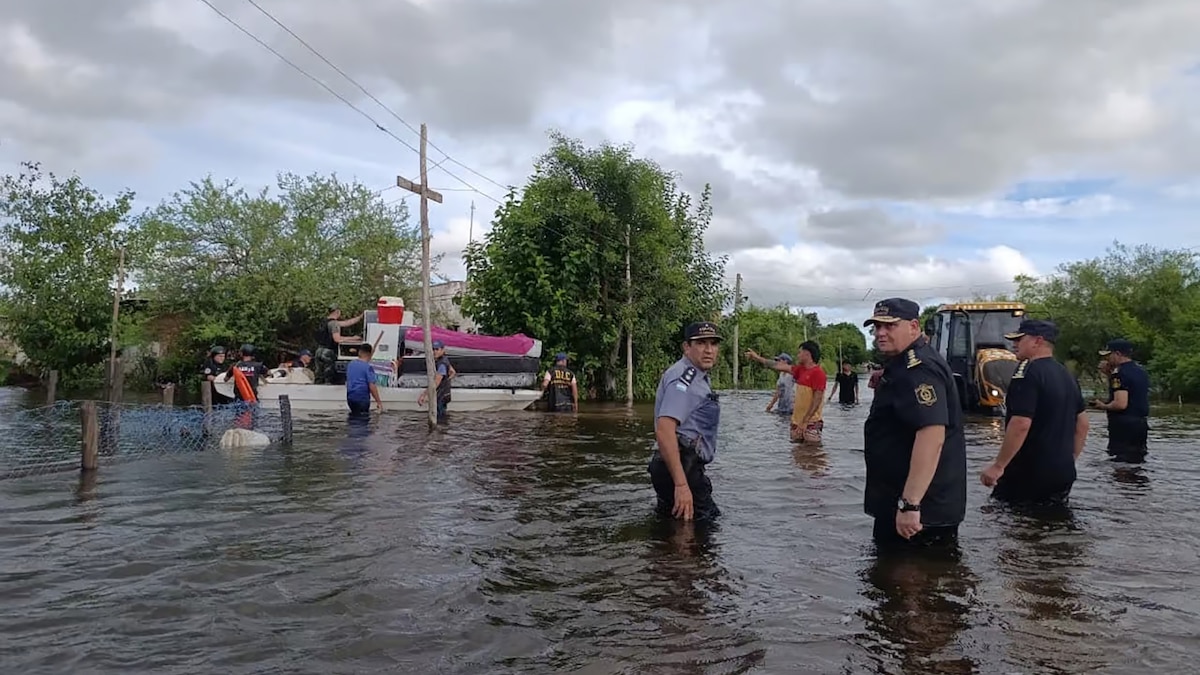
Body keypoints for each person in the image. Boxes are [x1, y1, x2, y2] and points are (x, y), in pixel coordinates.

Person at [861, 298, 967, 550]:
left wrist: (910, 504)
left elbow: (932, 434)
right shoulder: (904, 364)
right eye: (876, 326)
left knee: (912, 583)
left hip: (920, 514)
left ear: (913, 326)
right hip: (908, 505)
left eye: (889, 326)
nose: (880, 333)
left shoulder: (919, 368)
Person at [979, 319, 1089, 505]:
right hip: (1062, 472)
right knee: (1054, 522)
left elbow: (1020, 424)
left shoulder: (1027, 372)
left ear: (1037, 341)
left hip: (1028, 471)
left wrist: (998, 466)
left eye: (1020, 339)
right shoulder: (1066, 374)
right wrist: (1068, 460)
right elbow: (1083, 425)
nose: (1014, 344)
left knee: (1008, 522)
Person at [648, 321, 723, 522]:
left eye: (713, 343)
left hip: (676, 467)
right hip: (681, 468)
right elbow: (664, 429)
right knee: (704, 534)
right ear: (687, 347)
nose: (708, 350)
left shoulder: (695, 376)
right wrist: (681, 486)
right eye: (701, 343)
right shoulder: (685, 379)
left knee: (673, 531)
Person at [745, 341, 826, 443]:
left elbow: (817, 400)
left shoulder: (818, 373)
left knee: (813, 454)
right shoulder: (800, 370)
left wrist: (805, 421)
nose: (798, 355)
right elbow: (777, 366)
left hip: (811, 423)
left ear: (807, 354)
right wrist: (757, 358)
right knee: (796, 455)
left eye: (799, 352)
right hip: (796, 422)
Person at [1091, 338, 1151, 463]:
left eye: (1108, 355)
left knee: (1120, 463)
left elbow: (1120, 404)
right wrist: (1109, 375)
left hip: (1123, 426)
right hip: (1140, 424)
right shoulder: (1141, 371)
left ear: (1117, 354)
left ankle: (1121, 483)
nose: (1106, 359)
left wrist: (1102, 406)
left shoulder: (1119, 374)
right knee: (1137, 461)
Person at [314, 305, 364, 384]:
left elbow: (345, 323)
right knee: (328, 377)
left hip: (319, 351)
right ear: (337, 312)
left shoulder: (324, 322)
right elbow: (337, 339)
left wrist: (359, 317)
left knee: (319, 376)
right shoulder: (334, 324)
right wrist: (353, 338)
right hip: (328, 352)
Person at [417, 340, 455, 422]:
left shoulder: (441, 364)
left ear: (442, 350)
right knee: (442, 418)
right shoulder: (445, 359)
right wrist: (447, 382)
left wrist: (423, 395)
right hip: (446, 394)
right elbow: (453, 372)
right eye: (433, 349)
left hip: (441, 396)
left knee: (439, 419)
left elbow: (435, 383)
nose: (434, 352)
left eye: (437, 349)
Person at [345, 343, 383, 415]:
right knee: (362, 420)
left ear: (360, 352)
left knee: (353, 418)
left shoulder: (350, 364)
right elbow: (372, 386)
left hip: (350, 398)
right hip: (362, 398)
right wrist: (379, 402)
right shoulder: (368, 367)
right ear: (370, 354)